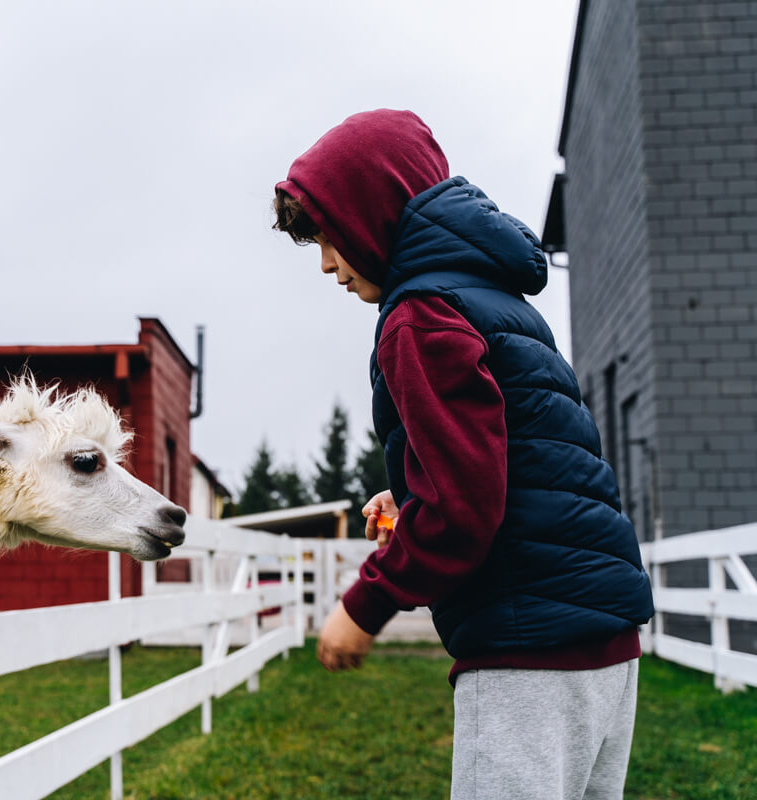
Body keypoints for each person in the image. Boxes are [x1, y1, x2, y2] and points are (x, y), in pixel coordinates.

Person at [272, 109, 654, 800]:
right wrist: (414, 496)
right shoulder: (491, 300)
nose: (327, 265)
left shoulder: (419, 318)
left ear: (372, 215)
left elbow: (467, 505)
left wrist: (366, 603)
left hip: (527, 651)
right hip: (604, 646)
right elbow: (517, 460)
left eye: (329, 239)